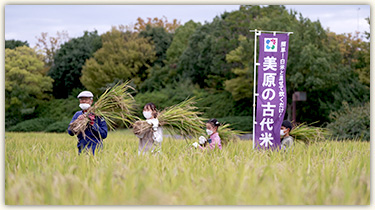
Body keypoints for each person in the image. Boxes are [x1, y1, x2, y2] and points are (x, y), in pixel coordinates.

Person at [67, 91, 108, 155]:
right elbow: (70, 132)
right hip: (82, 148)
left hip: (96, 149)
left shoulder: (98, 115)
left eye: (85, 99)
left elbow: (104, 134)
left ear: (91, 101)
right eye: (81, 99)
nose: (83, 101)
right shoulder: (77, 114)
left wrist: (93, 124)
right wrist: (77, 122)